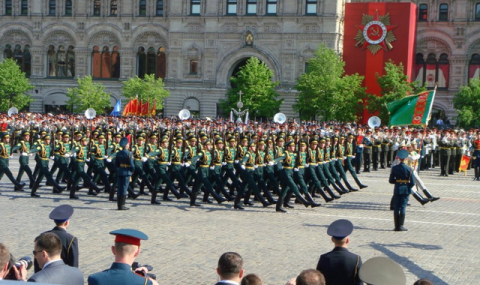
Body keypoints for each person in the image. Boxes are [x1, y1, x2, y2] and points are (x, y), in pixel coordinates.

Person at [88, 229, 158, 285]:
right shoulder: (144, 282)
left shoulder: (95, 279)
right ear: (137, 252)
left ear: (113, 250)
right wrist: (144, 277)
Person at [34, 204, 79, 273]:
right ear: (66, 222)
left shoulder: (43, 236)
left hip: (44, 274)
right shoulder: (71, 239)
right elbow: (74, 265)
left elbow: (37, 258)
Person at [316, 219, 362, 285]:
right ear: (347, 240)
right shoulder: (356, 259)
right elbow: (359, 282)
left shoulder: (324, 258)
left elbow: (319, 281)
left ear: (332, 240)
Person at [389, 149, 415, 231]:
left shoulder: (394, 168)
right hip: (405, 188)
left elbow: (391, 181)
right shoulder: (409, 169)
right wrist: (408, 185)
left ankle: (396, 226)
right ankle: (401, 225)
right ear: (406, 159)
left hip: (397, 188)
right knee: (403, 207)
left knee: (396, 207)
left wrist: (397, 182)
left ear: (399, 158)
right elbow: (413, 182)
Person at [115, 137, 134, 210]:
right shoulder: (129, 153)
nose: (129, 145)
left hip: (120, 171)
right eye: (128, 144)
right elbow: (132, 164)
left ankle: (119, 205)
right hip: (127, 172)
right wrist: (132, 170)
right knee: (124, 188)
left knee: (119, 188)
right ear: (126, 145)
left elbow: (116, 164)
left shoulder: (118, 153)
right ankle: (122, 205)